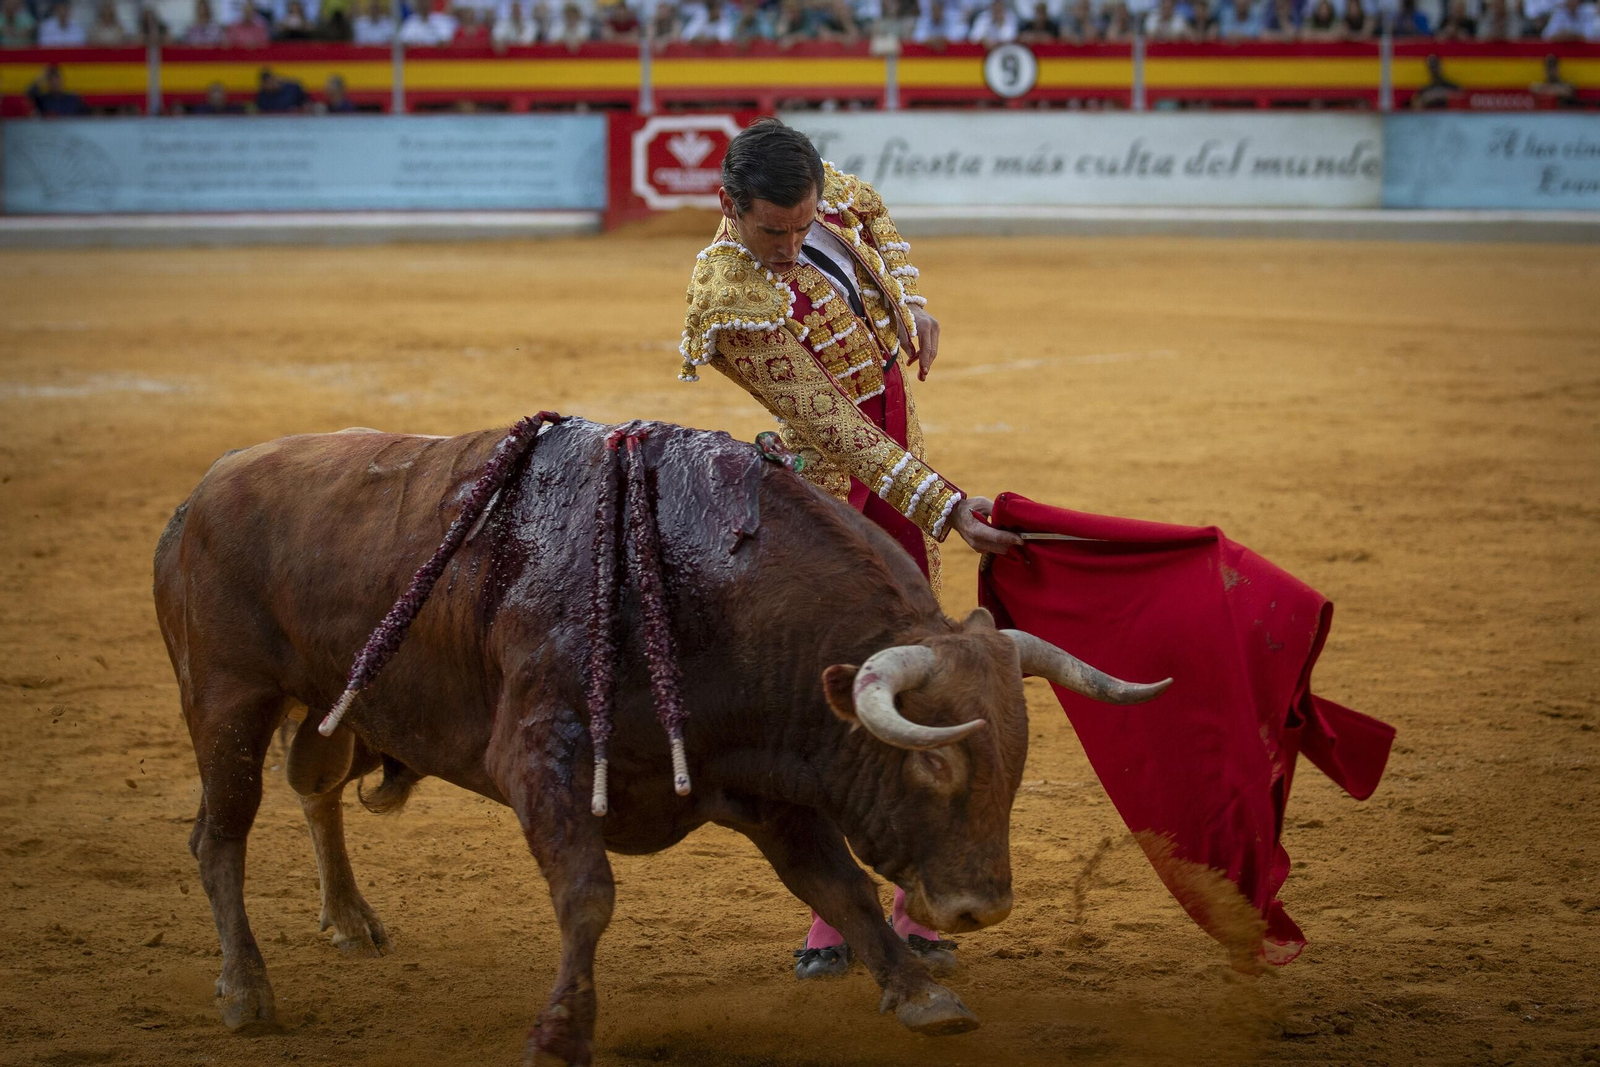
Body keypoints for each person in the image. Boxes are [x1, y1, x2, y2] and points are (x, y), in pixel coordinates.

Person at [677, 119, 1023, 982]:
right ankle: (836, 916)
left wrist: (912, 302)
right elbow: (837, 427)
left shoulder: (814, 190)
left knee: (922, 665)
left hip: (892, 442)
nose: (793, 244)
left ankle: (915, 897)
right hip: (831, 499)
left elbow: (874, 219)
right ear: (728, 205)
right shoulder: (730, 296)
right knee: (839, 697)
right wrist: (942, 503)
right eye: (774, 232)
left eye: (802, 225)